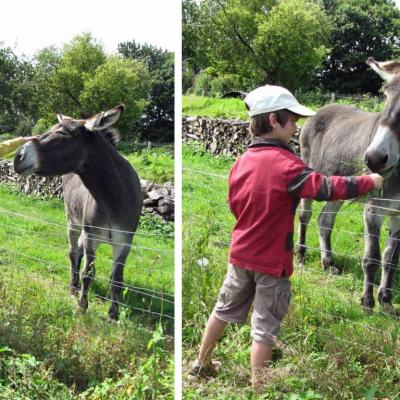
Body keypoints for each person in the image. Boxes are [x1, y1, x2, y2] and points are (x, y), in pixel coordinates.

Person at [188, 85, 384, 392]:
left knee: (222, 309)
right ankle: (258, 389)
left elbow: (233, 203)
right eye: (292, 121)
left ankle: (200, 365)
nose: (296, 128)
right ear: (275, 121)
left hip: (239, 255)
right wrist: (368, 181)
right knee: (263, 331)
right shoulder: (289, 167)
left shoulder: (241, 162)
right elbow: (326, 188)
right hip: (272, 265)